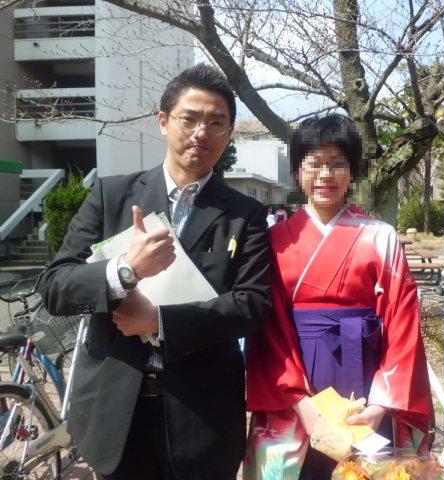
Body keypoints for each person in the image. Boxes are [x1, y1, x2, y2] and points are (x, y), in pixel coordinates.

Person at [39, 64, 273, 480]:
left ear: (229, 133)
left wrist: (159, 321)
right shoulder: (111, 195)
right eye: (189, 119)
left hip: (202, 417)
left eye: (216, 123)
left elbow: (252, 304)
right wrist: (124, 270)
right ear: (163, 121)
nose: (201, 133)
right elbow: (55, 287)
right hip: (115, 414)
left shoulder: (246, 215)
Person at [243, 114, 434, 479]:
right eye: (314, 164)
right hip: (295, 389)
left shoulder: (380, 236)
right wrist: (302, 404)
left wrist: (381, 405)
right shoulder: (275, 241)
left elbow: (403, 321)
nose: (325, 175)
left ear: (353, 172)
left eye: (337, 164)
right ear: (297, 172)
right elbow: (269, 328)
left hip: (369, 384)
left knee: (370, 469)